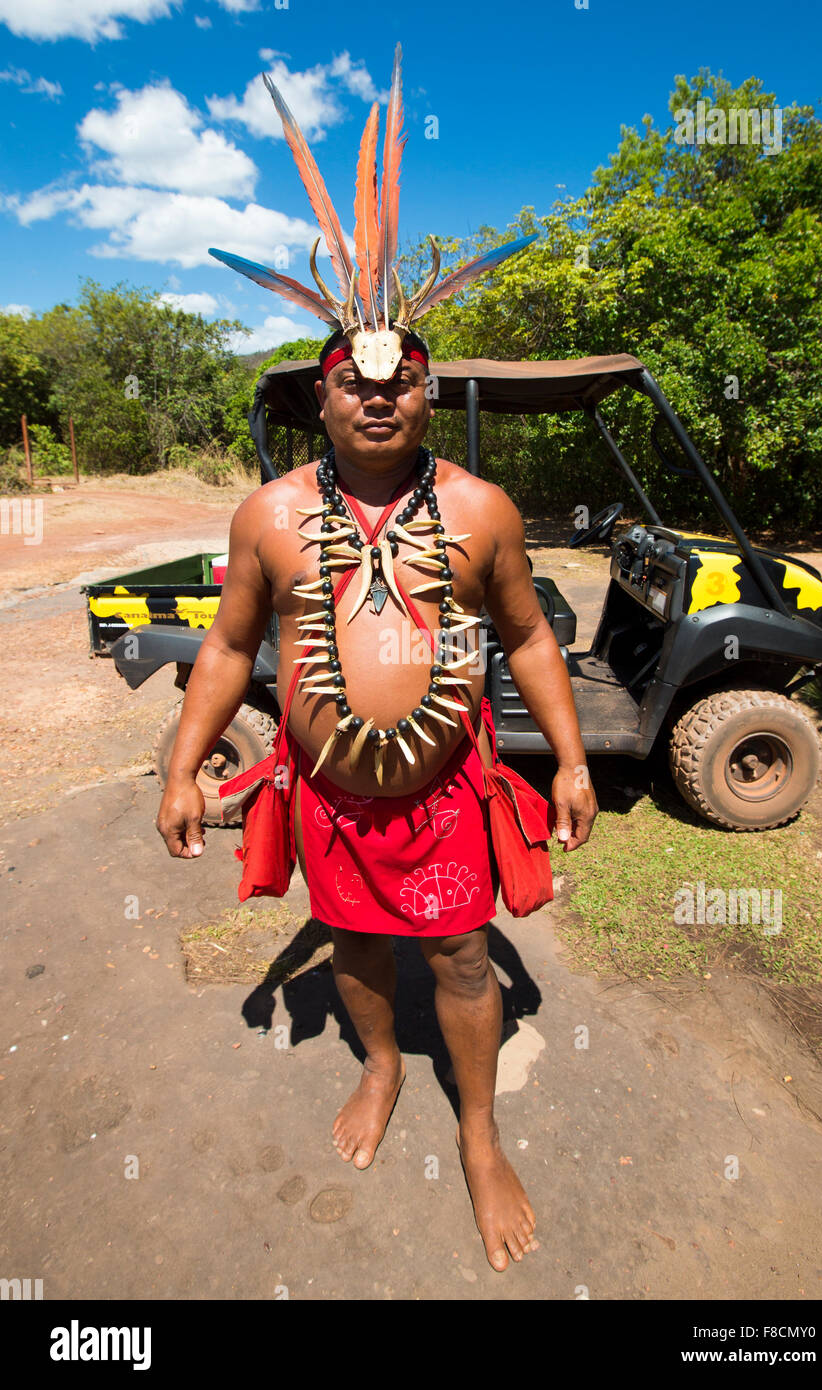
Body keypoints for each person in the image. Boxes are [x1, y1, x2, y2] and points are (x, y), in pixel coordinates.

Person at [157, 44, 598, 1272]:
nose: (377, 396)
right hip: (328, 797)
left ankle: (477, 1129)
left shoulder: (480, 511)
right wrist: (183, 764)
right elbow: (229, 645)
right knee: (352, 947)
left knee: (459, 952)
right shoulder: (264, 517)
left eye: (400, 375)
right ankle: (383, 1064)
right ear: (318, 394)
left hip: (445, 793)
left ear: (425, 386)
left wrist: (567, 759)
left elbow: (522, 635)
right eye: (353, 380)